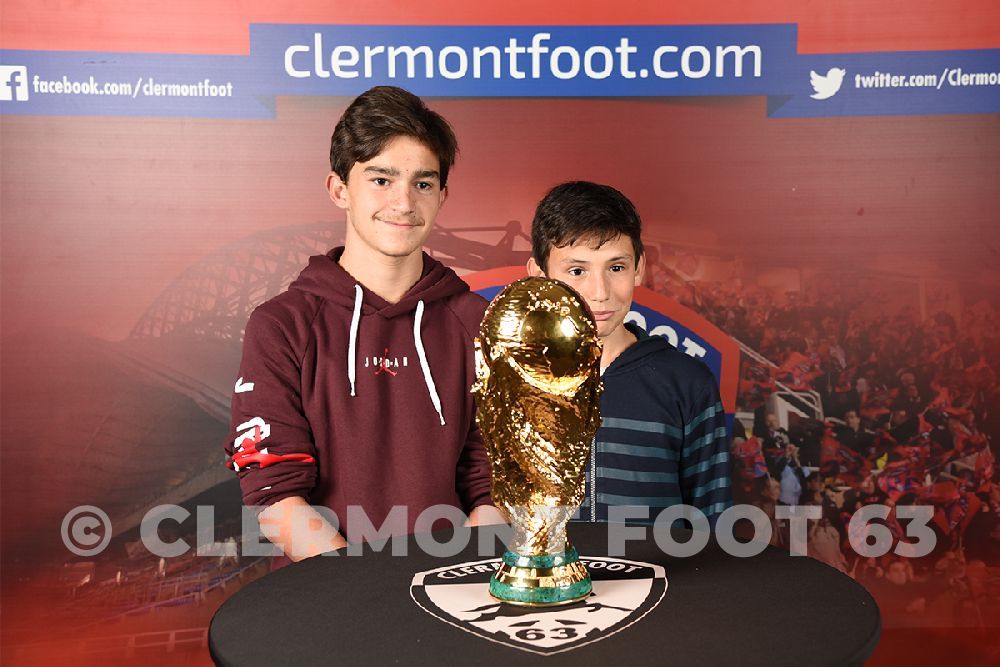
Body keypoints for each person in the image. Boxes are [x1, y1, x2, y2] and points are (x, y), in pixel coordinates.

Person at [224, 86, 500, 567]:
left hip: (453, 595)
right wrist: (367, 597)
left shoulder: (477, 322)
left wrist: (456, 579)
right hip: (329, 601)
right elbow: (274, 494)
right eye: (381, 179)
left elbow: (493, 482)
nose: (403, 202)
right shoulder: (282, 325)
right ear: (338, 190)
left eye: (423, 183)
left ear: (442, 196)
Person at [526, 181, 732, 526]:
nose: (600, 292)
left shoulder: (687, 382)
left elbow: (713, 519)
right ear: (539, 275)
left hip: (661, 579)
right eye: (577, 271)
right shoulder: (510, 378)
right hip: (546, 580)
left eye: (616, 268)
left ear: (639, 267)